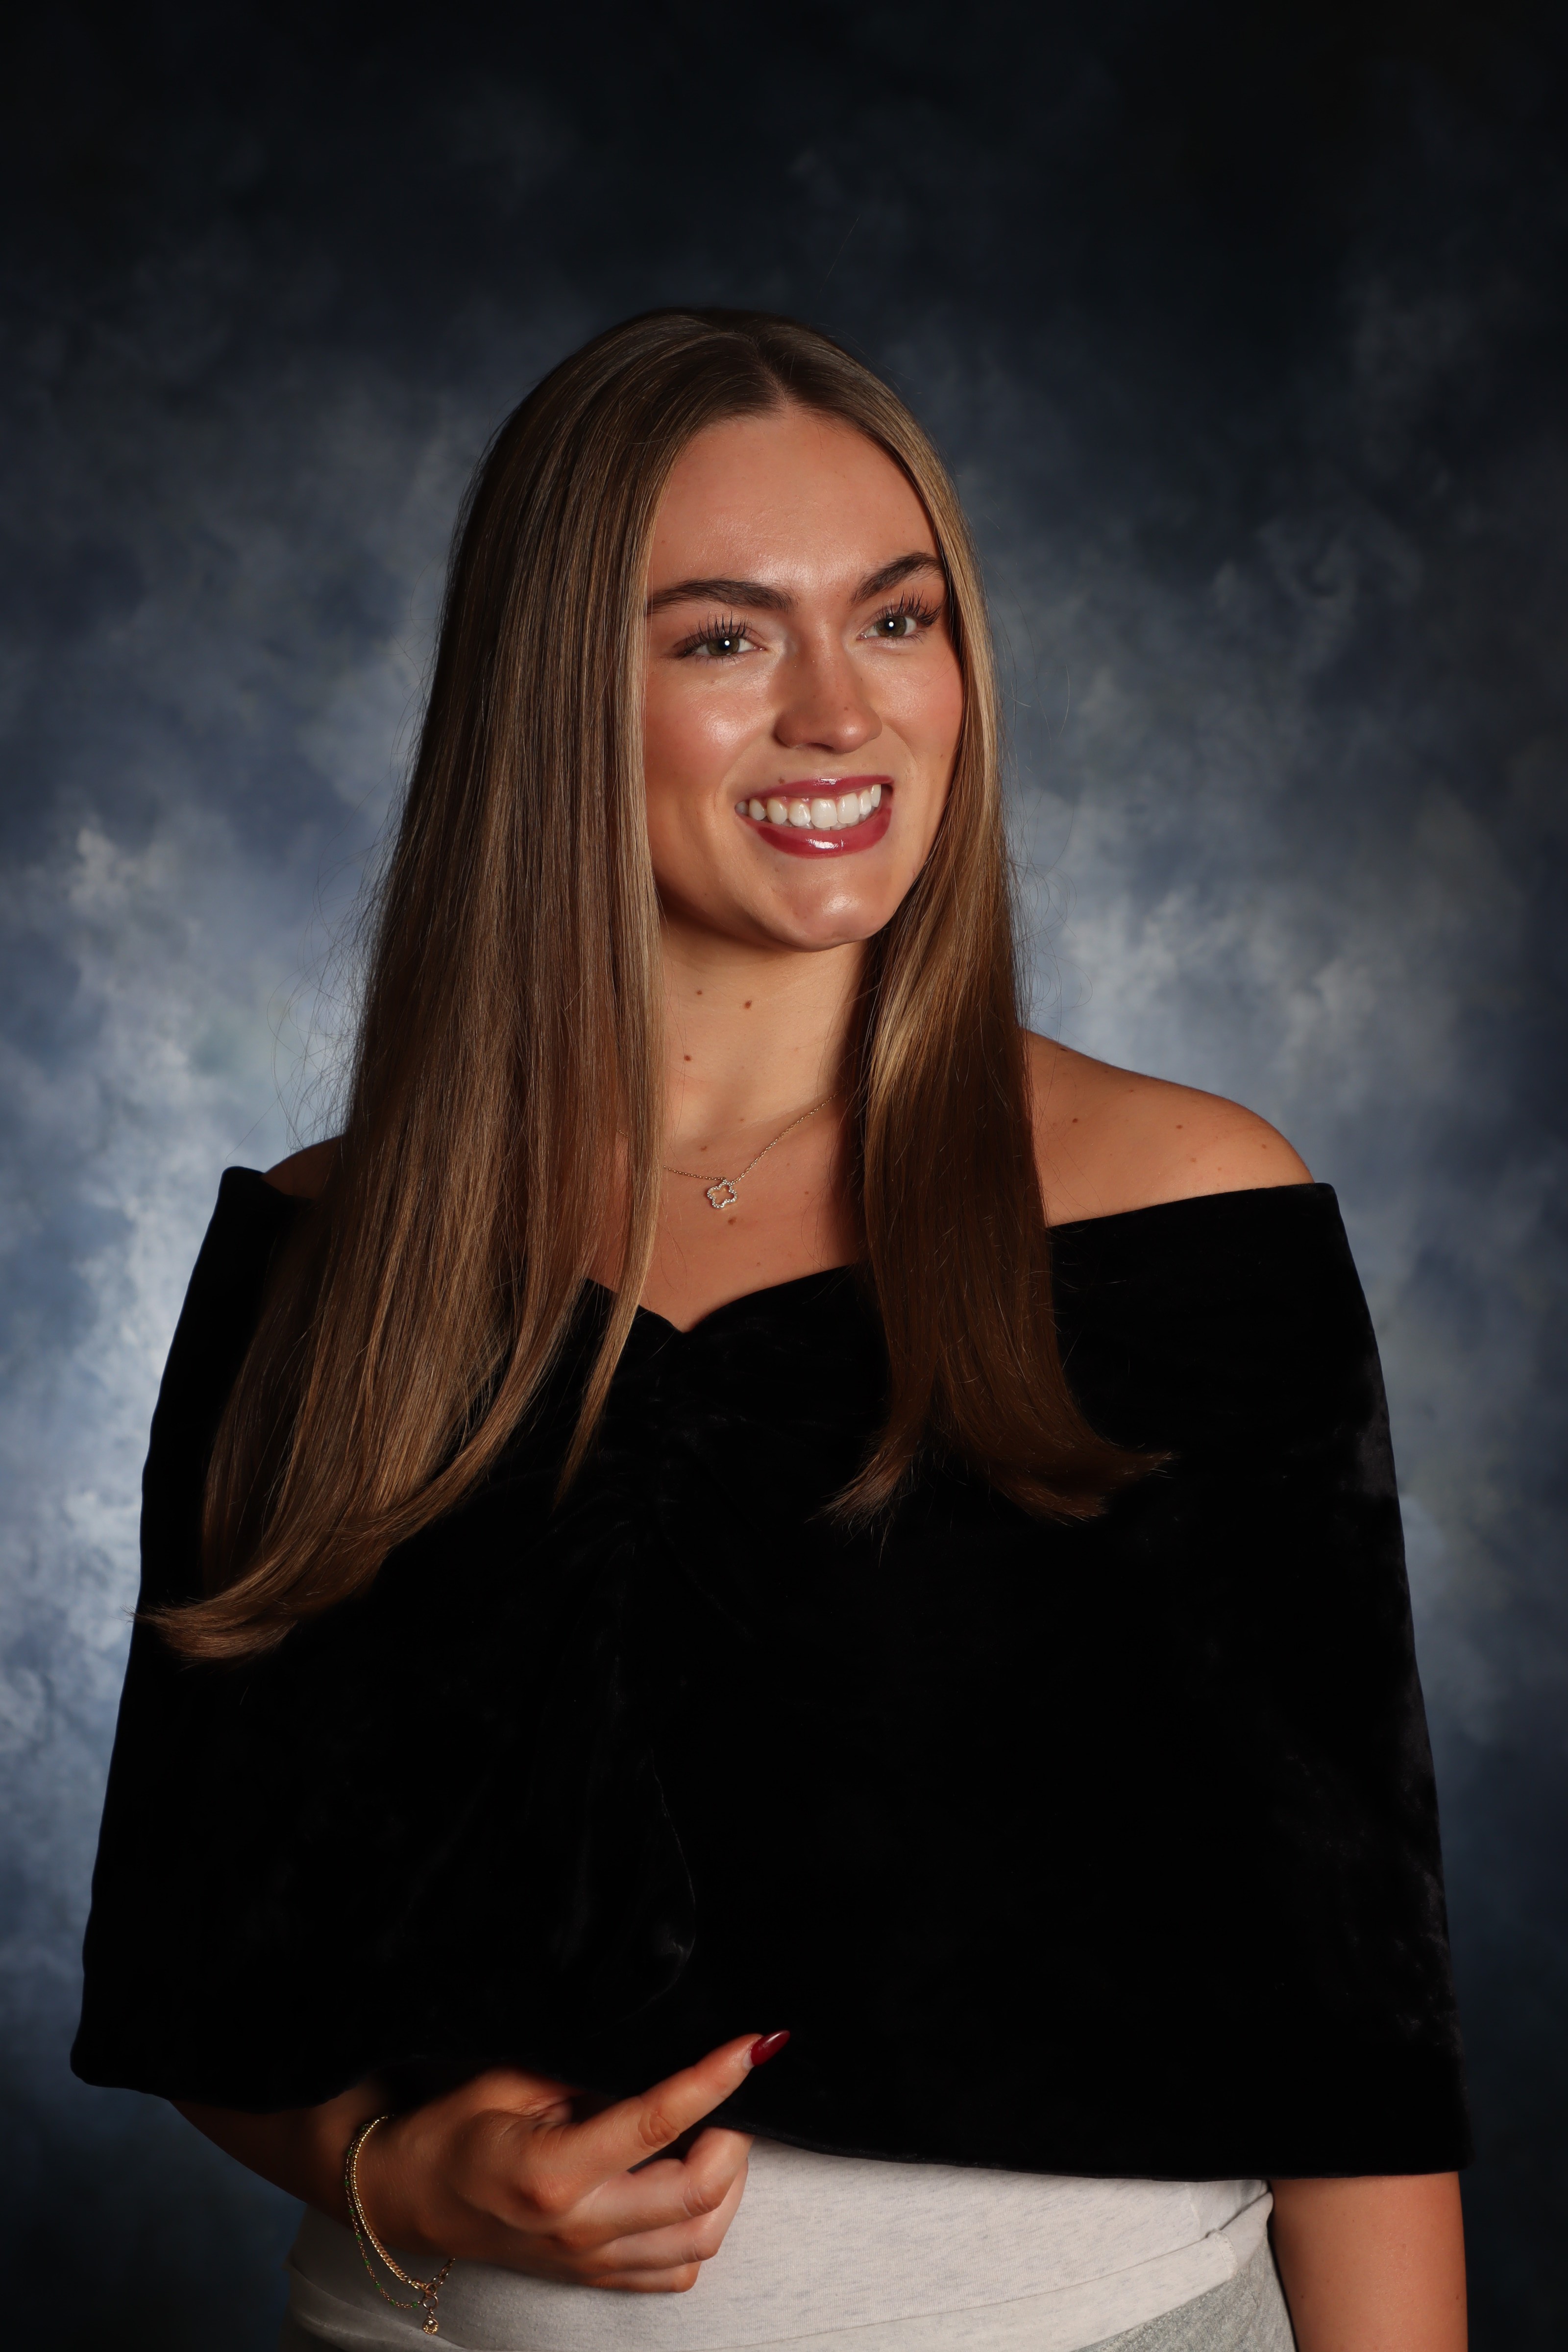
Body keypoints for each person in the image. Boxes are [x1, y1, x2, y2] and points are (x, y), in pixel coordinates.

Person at [73, 310, 1470, 2352]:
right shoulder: (330, 1254)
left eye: (896, 620)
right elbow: (208, 1970)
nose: (840, 711)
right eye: (724, 639)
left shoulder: (1181, 1217)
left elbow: (1358, 2031)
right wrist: (404, 2176)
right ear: (556, 702)